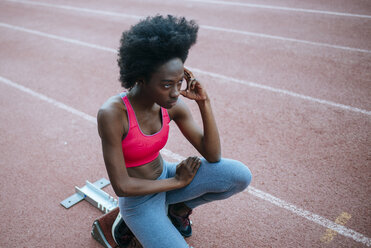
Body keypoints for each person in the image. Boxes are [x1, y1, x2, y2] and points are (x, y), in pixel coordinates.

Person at [97, 15, 252, 248]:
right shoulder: (113, 114)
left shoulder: (172, 105)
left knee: (239, 176)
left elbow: (213, 156)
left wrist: (204, 102)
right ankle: (127, 224)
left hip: (167, 178)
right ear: (140, 79)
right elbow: (122, 186)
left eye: (179, 82)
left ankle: (176, 210)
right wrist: (177, 182)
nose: (176, 92)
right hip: (139, 201)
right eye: (166, 84)